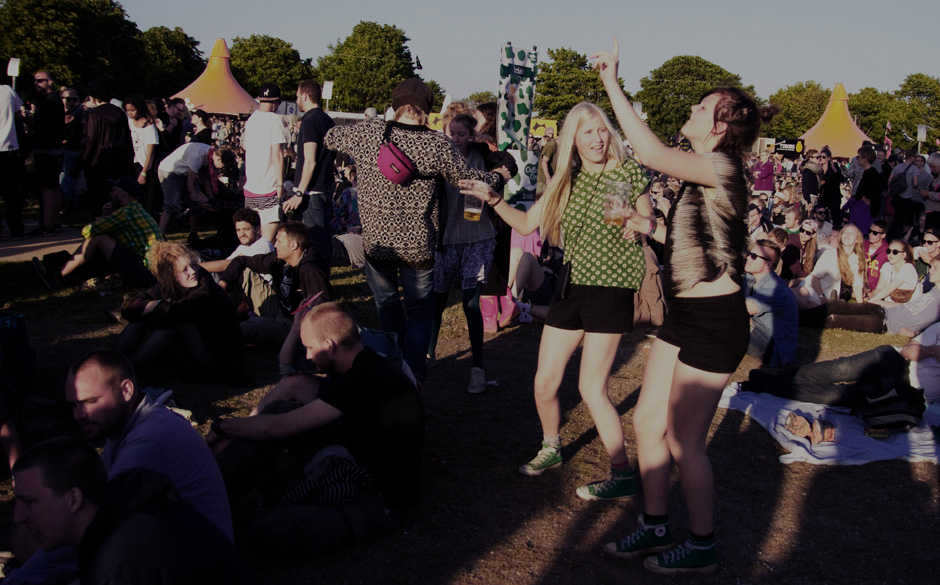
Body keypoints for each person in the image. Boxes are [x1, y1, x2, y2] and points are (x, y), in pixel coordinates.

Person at [591, 38, 776, 574]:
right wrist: (644, 224)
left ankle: (702, 545)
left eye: (700, 108)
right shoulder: (704, 171)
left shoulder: (723, 167)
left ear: (718, 127)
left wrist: (611, 80)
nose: (691, 111)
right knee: (648, 425)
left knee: (682, 439)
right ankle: (652, 526)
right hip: (684, 317)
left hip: (716, 324)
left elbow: (646, 153)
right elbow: (692, 239)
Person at [460, 101, 651, 499]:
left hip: (612, 287)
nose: (597, 139)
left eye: (601, 130)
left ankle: (622, 474)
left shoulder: (629, 172)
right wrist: (495, 201)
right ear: (573, 141)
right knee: (544, 383)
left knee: (590, 388)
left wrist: (639, 227)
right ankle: (551, 446)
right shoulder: (567, 178)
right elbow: (528, 223)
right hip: (572, 285)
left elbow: (648, 224)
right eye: (587, 132)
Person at [324, 78, 504, 383]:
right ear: (428, 110)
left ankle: (397, 365)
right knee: (420, 312)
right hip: (419, 245)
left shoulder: (368, 133)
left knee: (387, 304)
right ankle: (414, 375)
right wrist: (497, 177)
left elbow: (329, 136)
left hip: (377, 242)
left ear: (395, 105)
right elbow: (469, 179)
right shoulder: (436, 144)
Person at [209, 303, 423, 552]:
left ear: (330, 345)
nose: (308, 356)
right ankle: (206, 495)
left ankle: (208, 498)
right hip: (357, 455)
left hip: (376, 499)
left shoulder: (362, 379)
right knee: (277, 410)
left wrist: (222, 425)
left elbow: (276, 429)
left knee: (258, 532)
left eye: (310, 347)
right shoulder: (367, 363)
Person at [11, 437, 251, 585]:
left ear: (74, 499)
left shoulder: (121, 562)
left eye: (30, 502)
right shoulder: (131, 509)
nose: (18, 516)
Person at [65, 349, 233, 538]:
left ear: (126, 391)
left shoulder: (150, 438)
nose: (78, 415)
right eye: (73, 405)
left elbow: (99, 519)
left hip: (194, 560)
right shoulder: (122, 426)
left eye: (90, 401)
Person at [428, 112, 515, 393]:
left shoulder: (481, 154)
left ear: (472, 135)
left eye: (461, 134)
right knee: (437, 301)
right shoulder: (439, 157)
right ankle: (428, 355)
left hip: (478, 239)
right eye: (451, 134)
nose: (456, 139)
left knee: (471, 304)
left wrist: (496, 178)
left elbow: (510, 163)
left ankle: (477, 367)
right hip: (447, 240)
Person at [115, 241, 245, 382]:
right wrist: (156, 303)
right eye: (184, 270)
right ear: (170, 275)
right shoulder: (168, 285)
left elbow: (173, 314)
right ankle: (109, 362)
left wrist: (153, 308)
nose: (193, 271)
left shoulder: (205, 289)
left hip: (218, 359)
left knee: (173, 325)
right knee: (142, 317)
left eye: (192, 265)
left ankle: (124, 372)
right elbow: (128, 308)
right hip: (191, 350)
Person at [743, 320, 940, 406]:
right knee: (838, 369)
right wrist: (934, 350)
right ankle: (778, 377)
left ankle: (768, 386)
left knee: (835, 396)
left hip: (907, 390)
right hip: (894, 361)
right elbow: (907, 351)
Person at [218, 221, 331, 369]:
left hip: (294, 325)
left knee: (256, 326)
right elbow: (242, 260)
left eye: (279, 241)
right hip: (279, 309)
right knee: (245, 271)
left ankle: (219, 336)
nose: (275, 245)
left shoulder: (309, 270)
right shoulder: (280, 259)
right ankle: (221, 319)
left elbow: (323, 310)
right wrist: (223, 284)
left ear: (293, 245)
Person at [33, 178, 160, 290]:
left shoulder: (126, 213)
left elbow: (88, 231)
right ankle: (70, 272)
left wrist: (102, 218)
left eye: (113, 190)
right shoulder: (136, 209)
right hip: (152, 271)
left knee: (99, 238)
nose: (110, 194)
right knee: (104, 238)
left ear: (122, 194)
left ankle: (58, 275)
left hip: (144, 272)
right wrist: (106, 216)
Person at [282, 80, 336, 272]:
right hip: (325, 187)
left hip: (312, 191)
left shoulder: (310, 122)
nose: (296, 100)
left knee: (315, 239)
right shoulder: (327, 120)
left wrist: (299, 193)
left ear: (305, 96)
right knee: (322, 237)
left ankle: (319, 282)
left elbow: (310, 161)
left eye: (297, 96)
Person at [71, 78, 134, 215]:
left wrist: (77, 166)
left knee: (98, 202)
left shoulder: (93, 115)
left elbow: (89, 142)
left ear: (93, 97)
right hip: (119, 162)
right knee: (116, 202)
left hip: (97, 164)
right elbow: (128, 140)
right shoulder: (120, 114)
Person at [243, 83, 287, 243]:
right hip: (269, 188)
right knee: (266, 243)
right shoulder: (275, 120)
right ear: (277, 102)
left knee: (251, 241)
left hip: (250, 189)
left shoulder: (251, 120)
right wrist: (280, 184)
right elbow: (277, 154)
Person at [744, 240, 798, 367]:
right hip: (763, 334)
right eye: (749, 253)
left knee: (734, 316)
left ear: (768, 263)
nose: (748, 258)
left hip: (777, 350)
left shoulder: (775, 288)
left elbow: (743, 309)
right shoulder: (751, 279)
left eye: (754, 256)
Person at [26, 70, 65, 236]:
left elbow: (46, 126)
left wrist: (29, 121)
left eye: (40, 80)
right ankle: (53, 222)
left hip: (47, 149)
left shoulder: (50, 101)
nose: (37, 84)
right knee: (54, 185)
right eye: (35, 81)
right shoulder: (53, 100)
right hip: (53, 149)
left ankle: (47, 225)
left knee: (47, 187)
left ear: (50, 82)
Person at [796, 223, 866, 308]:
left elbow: (857, 285)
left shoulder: (857, 259)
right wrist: (822, 298)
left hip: (828, 296)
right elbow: (814, 278)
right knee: (806, 308)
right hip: (813, 289)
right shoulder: (830, 254)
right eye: (845, 232)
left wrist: (861, 306)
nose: (847, 234)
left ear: (857, 240)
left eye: (851, 233)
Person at [0, 84, 24, 240]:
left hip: (9, 147)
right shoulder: (7, 90)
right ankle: (16, 228)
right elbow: (19, 114)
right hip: (8, 148)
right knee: (12, 192)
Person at [536, 126, 557, 195]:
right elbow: (544, 161)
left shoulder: (552, 144)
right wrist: (548, 178)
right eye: (550, 134)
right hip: (543, 180)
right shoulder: (551, 144)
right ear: (545, 133)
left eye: (553, 134)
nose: (552, 136)